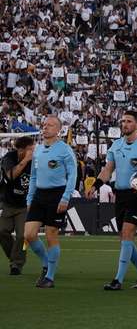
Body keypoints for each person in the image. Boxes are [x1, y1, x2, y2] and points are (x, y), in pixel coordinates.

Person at [96, 110, 137, 291]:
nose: (125, 124)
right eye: (123, 121)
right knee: (124, 237)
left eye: (129, 121)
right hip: (120, 194)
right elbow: (108, 169)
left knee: (128, 233)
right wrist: (95, 185)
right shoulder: (115, 146)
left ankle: (118, 280)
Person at [24, 116, 77, 288]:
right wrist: (30, 198)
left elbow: (73, 175)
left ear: (58, 130)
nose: (45, 127)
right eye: (44, 125)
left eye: (50, 125)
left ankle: (50, 277)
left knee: (50, 234)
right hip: (39, 195)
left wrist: (66, 197)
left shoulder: (65, 150)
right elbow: (33, 176)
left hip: (57, 195)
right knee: (29, 235)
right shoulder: (38, 150)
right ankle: (47, 263)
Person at [1, 135, 34, 275]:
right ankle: (15, 257)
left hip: (25, 205)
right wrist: (25, 160)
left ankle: (17, 264)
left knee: (23, 236)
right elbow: (10, 175)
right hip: (8, 203)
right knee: (1, 231)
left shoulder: (36, 161)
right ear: (21, 150)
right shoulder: (9, 158)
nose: (33, 152)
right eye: (30, 150)